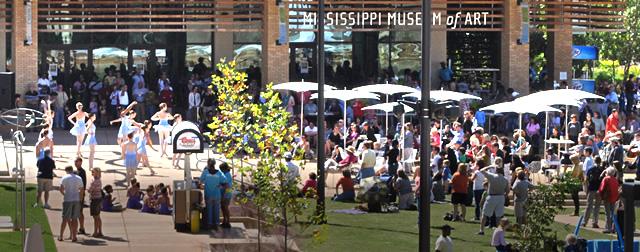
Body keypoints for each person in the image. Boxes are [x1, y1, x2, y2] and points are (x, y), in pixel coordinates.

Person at [478, 163, 509, 235]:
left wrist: (490, 166)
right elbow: (507, 190)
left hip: (492, 197)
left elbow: (481, 170)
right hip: (501, 197)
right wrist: (504, 196)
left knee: (485, 214)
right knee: (499, 216)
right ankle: (499, 232)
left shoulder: (492, 176)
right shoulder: (505, 179)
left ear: (496, 171)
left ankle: (481, 230)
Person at [199, 159, 227, 230]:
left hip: (208, 194)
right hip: (217, 195)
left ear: (208, 164)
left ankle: (210, 224)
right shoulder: (219, 173)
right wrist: (220, 185)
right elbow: (225, 182)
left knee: (209, 210)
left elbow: (200, 181)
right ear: (214, 164)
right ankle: (216, 224)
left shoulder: (205, 172)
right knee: (217, 210)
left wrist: (202, 185)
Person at [59, 166, 84, 242]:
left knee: (65, 218)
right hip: (76, 199)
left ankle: (61, 236)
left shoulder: (64, 178)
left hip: (68, 200)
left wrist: (64, 194)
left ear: (66, 170)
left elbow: (61, 188)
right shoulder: (78, 178)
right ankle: (74, 236)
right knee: (74, 218)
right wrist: (80, 198)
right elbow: (82, 189)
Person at [583, 156, 603, 228]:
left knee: (588, 206)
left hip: (591, 189)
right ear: (600, 161)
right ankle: (595, 222)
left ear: (594, 161)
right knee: (597, 207)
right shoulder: (602, 170)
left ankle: (585, 221)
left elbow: (586, 180)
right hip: (599, 190)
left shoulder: (590, 169)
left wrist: (586, 190)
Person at [598, 167, 619, 234]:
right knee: (612, 213)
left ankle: (608, 228)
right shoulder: (615, 179)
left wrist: (600, 195)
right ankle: (613, 228)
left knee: (607, 213)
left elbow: (602, 188)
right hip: (614, 197)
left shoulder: (606, 179)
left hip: (607, 197)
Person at [72, 158, 88, 235]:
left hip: (79, 194)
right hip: (75, 194)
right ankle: (80, 228)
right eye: (75, 162)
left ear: (80, 162)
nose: (75, 163)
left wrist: (81, 197)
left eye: (77, 162)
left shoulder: (82, 172)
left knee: (80, 212)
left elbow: (83, 185)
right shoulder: (75, 172)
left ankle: (81, 227)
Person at [87, 168, 103, 237]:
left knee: (95, 217)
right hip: (99, 198)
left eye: (93, 172)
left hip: (95, 200)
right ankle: (100, 231)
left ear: (97, 173)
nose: (92, 173)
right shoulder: (99, 180)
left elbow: (90, 190)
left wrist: (88, 189)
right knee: (98, 216)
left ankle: (95, 232)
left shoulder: (94, 181)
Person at [219, 162, 233, 228]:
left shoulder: (227, 174)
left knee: (225, 207)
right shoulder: (224, 173)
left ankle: (228, 222)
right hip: (223, 192)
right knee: (223, 207)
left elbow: (226, 185)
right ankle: (224, 221)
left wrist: (224, 195)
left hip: (227, 193)